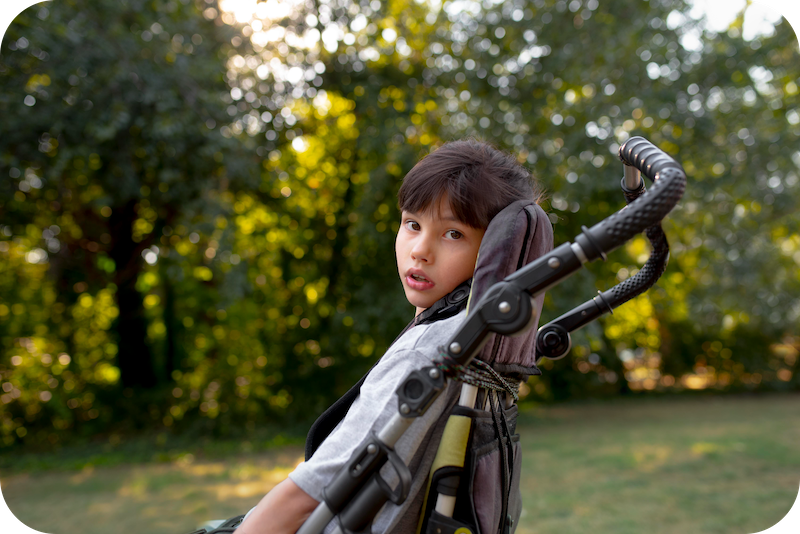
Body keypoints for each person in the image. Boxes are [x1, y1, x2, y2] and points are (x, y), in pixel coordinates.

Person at [234, 139, 544, 534]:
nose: (420, 251)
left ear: (493, 252)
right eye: (412, 224)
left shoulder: (429, 356)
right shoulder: (479, 344)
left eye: (453, 234)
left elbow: (308, 493)